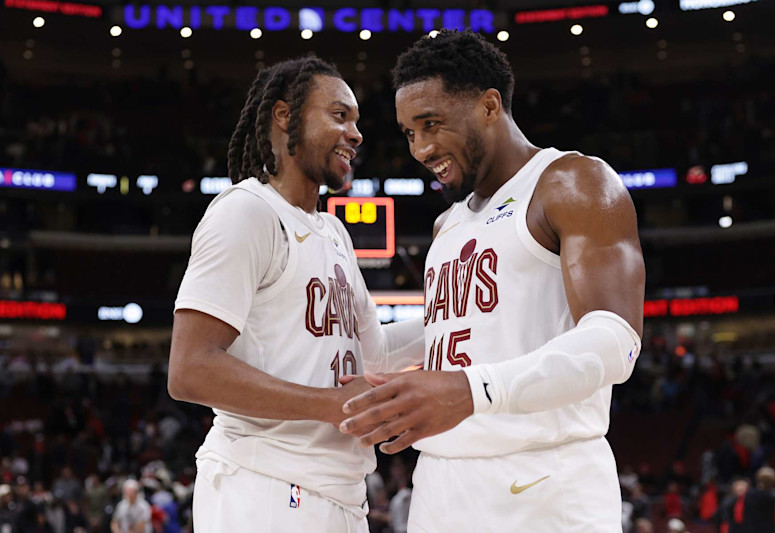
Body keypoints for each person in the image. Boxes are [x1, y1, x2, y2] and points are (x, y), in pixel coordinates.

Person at [339, 30, 645, 531]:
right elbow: (457, 330)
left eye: (431, 124)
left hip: (541, 479)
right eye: (409, 132)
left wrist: (469, 389)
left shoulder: (571, 182)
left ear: (488, 105)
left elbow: (616, 342)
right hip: (439, 482)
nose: (420, 147)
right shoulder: (448, 224)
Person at [168, 55, 423, 532]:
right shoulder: (246, 212)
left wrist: (457, 314)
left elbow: (378, 352)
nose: (356, 133)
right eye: (339, 115)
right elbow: (190, 369)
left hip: (338, 491)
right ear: (284, 116)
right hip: (265, 484)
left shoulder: (333, 233)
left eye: (356, 121)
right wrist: (330, 405)